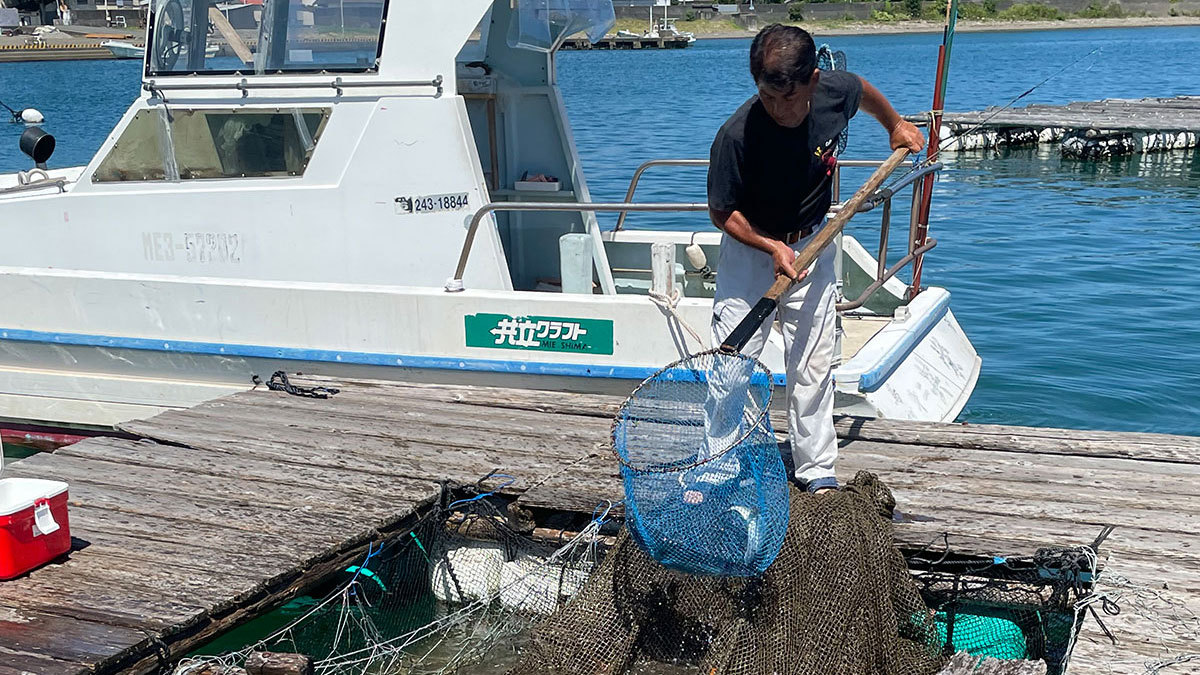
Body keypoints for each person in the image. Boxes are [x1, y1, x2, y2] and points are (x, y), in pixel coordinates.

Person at [706, 24, 925, 495]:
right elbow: (723, 212)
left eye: (790, 98)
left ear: (813, 80)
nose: (780, 109)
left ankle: (815, 468)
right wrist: (772, 246)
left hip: (815, 242)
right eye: (769, 98)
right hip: (751, 250)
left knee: (812, 360)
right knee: (733, 360)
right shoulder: (736, 136)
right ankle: (722, 464)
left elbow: (863, 90)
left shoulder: (834, 92)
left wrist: (895, 125)